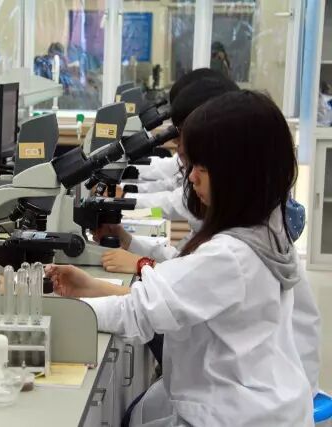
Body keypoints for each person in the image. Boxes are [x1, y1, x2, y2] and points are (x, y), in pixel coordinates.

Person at [47, 91, 320, 426]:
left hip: (240, 414)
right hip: (265, 404)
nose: (190, 177)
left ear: (238, 174)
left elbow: (137, 312)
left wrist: (46, 311)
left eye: (202, 167)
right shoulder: (264, 229)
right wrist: (91, 285)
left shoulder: (232, 255)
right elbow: (179, 281)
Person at [96, 75, 239, 266]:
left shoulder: (232, 243)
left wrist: (141, 264)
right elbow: (184, 261)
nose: (192, 177)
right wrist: (128, 241)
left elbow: (186, 272)